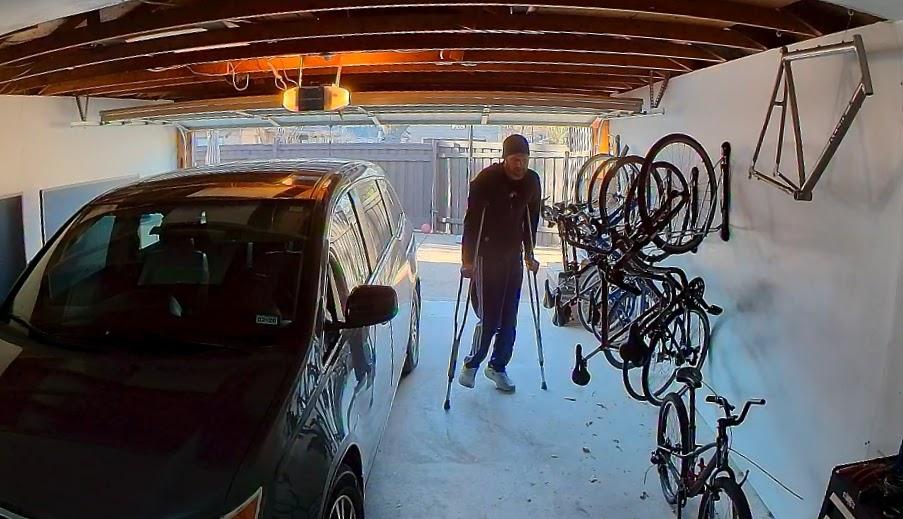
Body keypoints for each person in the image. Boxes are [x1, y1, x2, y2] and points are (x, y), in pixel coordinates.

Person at [458, 134, 541, 392]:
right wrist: (468, 259)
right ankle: (472, 364)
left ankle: (498, 366)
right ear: (505, 158)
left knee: (510, 318)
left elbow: (532, 218)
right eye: (515, 160)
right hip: (487, 255)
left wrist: (529, 253)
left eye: (524, 160)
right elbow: (472, 221)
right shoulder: (487, 180)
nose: (520, 166)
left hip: (512, 256)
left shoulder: (531, 181)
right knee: (490, 317)